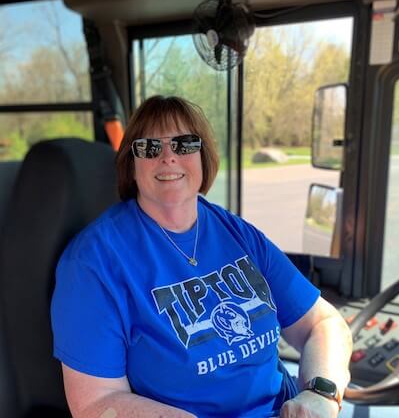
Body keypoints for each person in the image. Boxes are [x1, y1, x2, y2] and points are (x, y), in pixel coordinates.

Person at [51, 95, 353, 418]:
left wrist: (320, 395)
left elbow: (323, 323)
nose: (168, 156)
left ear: (203, 155)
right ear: (131, 164)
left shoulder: (235, 232)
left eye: (184, 144)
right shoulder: (92, 263)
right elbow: (95, 402)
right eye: (150, 147)